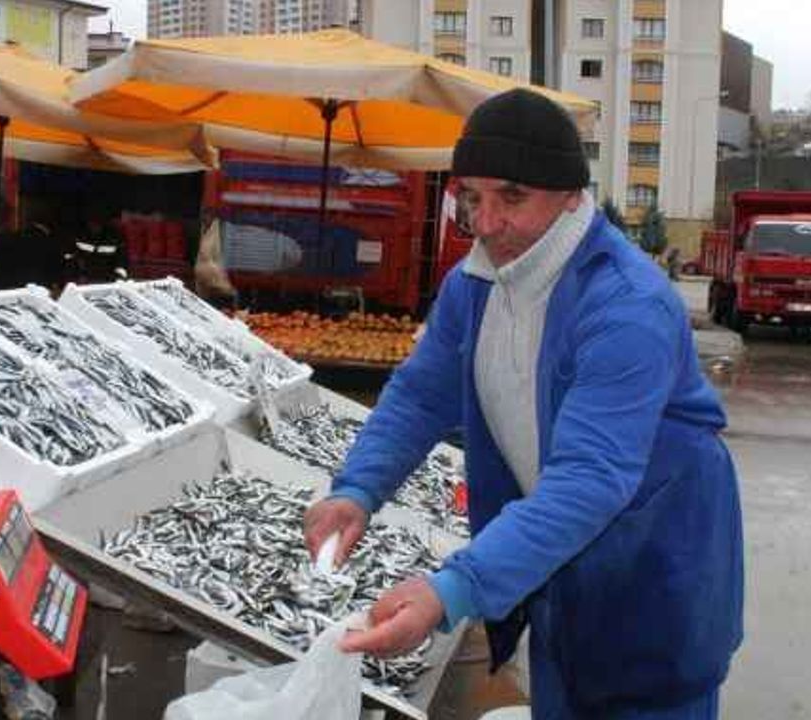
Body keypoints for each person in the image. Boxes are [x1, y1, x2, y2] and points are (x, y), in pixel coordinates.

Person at [303, 88, 744, 719]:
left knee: (641, 691)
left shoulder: (627, 307)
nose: (486, 224)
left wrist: (451, 589)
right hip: (555, 558)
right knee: (563, 686)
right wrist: (356, 490)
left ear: (570, 196)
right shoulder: (475, 283)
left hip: (654, 563)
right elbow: (421, 392)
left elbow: (590, 478)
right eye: (472, 199)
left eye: (512, 197)